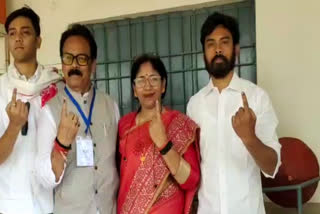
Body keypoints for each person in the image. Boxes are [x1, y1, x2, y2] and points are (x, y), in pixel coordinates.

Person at [187, 12, 282, 214]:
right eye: (210, 43)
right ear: (204, 52)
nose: (218, 49)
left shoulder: (257, 98)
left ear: (236, 49)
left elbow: (272, 166)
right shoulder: (194, 105)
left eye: (224, 42)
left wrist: (250, 138)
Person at [35, 24, 119, 214]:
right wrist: (61, 145)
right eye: (68, 58)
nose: (74, 65)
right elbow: (45, 178)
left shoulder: (110, 105)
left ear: (93, 64)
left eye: (81, 59)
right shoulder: (49, 111)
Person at [117, 54, 200, 214]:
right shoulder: (124, 125)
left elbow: (191, 181)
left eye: (154, 79)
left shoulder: (179, 123)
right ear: (134, 90)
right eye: (141, 80)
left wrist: (164, 144)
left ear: (163, 85)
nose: (147, 86)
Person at [0, 7, 61, 214]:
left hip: (48, 205)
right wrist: (14, 127)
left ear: (38, 41)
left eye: (25, 32)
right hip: (10, 206)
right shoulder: (0, 90)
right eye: (12, 33)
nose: (18, 38)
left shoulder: (55, 87)